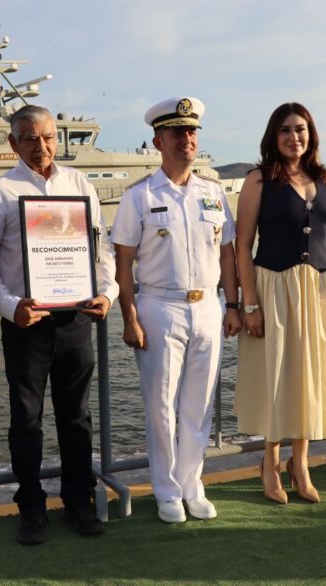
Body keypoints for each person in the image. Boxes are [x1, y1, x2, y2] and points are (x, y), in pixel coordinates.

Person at [0, 104, 117, 545]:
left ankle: (79, 499)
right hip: (27, 322)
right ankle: (31, 506)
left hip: (76, 318)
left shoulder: (80, 185)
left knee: (77, 417)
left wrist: (107, 292)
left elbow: (102, 249)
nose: (42, 146)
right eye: (32, 138)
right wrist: (10, 305)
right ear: (15, 143)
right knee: (27, 420)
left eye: (49, 137)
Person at [111, 97, 241, 523]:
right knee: (161, 405)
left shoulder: (212, 193)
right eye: (178, 133)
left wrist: (233, 304)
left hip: (206, 306)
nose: (188, 139)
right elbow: (123, 263)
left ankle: (192, 484)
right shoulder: (140, 196)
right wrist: (129, 317)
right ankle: (166, 490)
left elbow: (228, 254)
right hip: (158, 306)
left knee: (199, 404)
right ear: (158, 140)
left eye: (192, 131)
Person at [235, 102, 326, 504]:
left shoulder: (324, 180)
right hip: (273, 287)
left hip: (316, 290)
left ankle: (301, 463)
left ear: (310, 135)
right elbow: (242, 246)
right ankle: (270, 462)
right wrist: (250, 304)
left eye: (300, 129)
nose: (293, 137)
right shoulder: (258, 180)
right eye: (285, 130)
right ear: (273, 136)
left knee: (308, 375)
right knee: (275, 375)